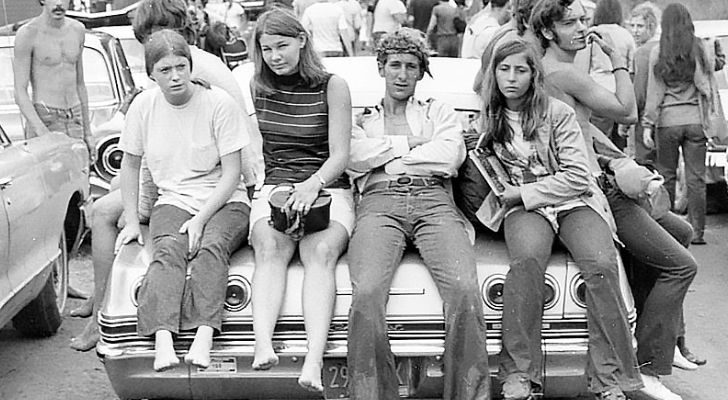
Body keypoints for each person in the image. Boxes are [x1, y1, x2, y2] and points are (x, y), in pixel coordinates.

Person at [68, 0, 261, 352]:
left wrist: (246, 186)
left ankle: (103, 312)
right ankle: (117, 307)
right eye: (150, 43)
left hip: (223, 180)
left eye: (155, 35)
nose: (172, 73)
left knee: (104, 212)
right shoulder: (161, 87)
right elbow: (136, 158)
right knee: (127, 203)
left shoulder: (201, 74)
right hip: (181, 179)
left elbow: (234, 155)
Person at [531, 1, 699, 399]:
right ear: (549, 31)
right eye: (569, 23)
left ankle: (660, 339)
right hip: (595, 190)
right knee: (680, 266)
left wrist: (617, 158)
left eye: (583, 20)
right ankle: (650, 366)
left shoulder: (556, 70)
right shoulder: (561, 72)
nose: (581, 28)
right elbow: (627, 111)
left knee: (681, 230)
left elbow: (584, 130)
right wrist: (619, 59)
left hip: (602, 179)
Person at [476, 37, 638, 400]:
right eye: (504, 69)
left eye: (521, 70)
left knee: (600, 263)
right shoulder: (489, 115)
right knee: (527, 261)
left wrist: (525, 192)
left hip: (572, 200)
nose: (512, 78)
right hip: (524, 208)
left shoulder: (557, 112)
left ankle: (608, 379)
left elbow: (579, 176)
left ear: (535, 75)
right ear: (493, 74)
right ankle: (519, 373)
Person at [346, 28, 490, 400]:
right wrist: (411, 144)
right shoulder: (362, 116)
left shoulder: (437, 110)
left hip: (434, 201)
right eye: (394, 64)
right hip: (379, 204)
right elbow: (352, 157)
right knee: (367, 292)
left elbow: (450, 155)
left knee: (463, 288)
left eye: (411, 66)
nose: (402, 73)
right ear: (381, 67)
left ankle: (469, 395)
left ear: (421, 72)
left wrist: (390, 159)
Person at [116, 29, 250, 372]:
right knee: (167, 250)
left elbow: (233, 173)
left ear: (191, 66)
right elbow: (130, 164)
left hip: (224, 200)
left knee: (211, 246)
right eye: (165, 69)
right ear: (151, 74)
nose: (175, 76)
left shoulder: (218, 102)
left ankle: (204, 335)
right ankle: (163, 339)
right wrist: (132, 220)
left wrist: (201, 219)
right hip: (174, 199)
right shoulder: (144, 107)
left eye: (181, 66)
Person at [247, 8, 354, 394]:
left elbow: (340, 153)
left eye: (282, 46)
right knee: (269, 246)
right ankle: (263, 345)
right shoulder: (257, 86)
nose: (275, 56)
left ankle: (314, 357)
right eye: (267, 49)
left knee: (320, 252)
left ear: (302, 41)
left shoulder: (332, 85)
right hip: (276, 184)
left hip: (328, 184)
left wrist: (312, 185)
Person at [642, 3, 716, 246]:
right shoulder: (698, 48)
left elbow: (655, 93)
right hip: (694, 122)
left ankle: (670, 229)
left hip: (667, 123)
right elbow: (705, 85)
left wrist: (647, 125)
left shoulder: (659, 51)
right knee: (696, 179)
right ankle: (697, 232)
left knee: (667, 176)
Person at [13, 0, 93, 156]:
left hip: (75, 116)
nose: (59, 3)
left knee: (78, 175)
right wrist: (42, 132)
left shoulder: (77, 30)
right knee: (48, 177)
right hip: (45, 116)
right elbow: (20, 92)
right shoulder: (28, 33)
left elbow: (80, 83)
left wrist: (88, 132)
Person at [577, 0, 635, 150]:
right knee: (619, 140)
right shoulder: (626, 35)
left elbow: (584, 64)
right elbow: (632, 66)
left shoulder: (593, 32)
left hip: (598, 88)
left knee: (600, 138)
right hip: (620, 86)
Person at [629, 1, 661, 166]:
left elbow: (639, 91)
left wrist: (628, 117)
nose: (634, 31)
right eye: (632, 25)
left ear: (651, 26)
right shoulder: (665, 47)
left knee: (645, 164)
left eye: (640, 26)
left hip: (645, 117)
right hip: (665, 116)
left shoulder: (642, 53)